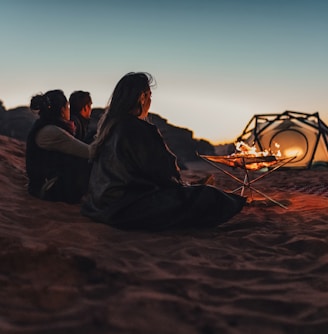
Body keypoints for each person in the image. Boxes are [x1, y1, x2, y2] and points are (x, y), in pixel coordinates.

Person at [81, 72, 246, 230]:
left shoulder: (109, 127)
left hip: (101, 205)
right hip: (127, 209)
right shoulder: (139, 128)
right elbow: (163, 173)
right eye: (150, 96)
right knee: (209, 195)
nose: (150, 101)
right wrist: (184, 187)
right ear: (142, 97)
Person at [26, 89, 91, 203]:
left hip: (43, 186)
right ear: (62, 110)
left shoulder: (46, 126)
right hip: (48, 189)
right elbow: (88, 152)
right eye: (67, 107)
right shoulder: (53, 132)